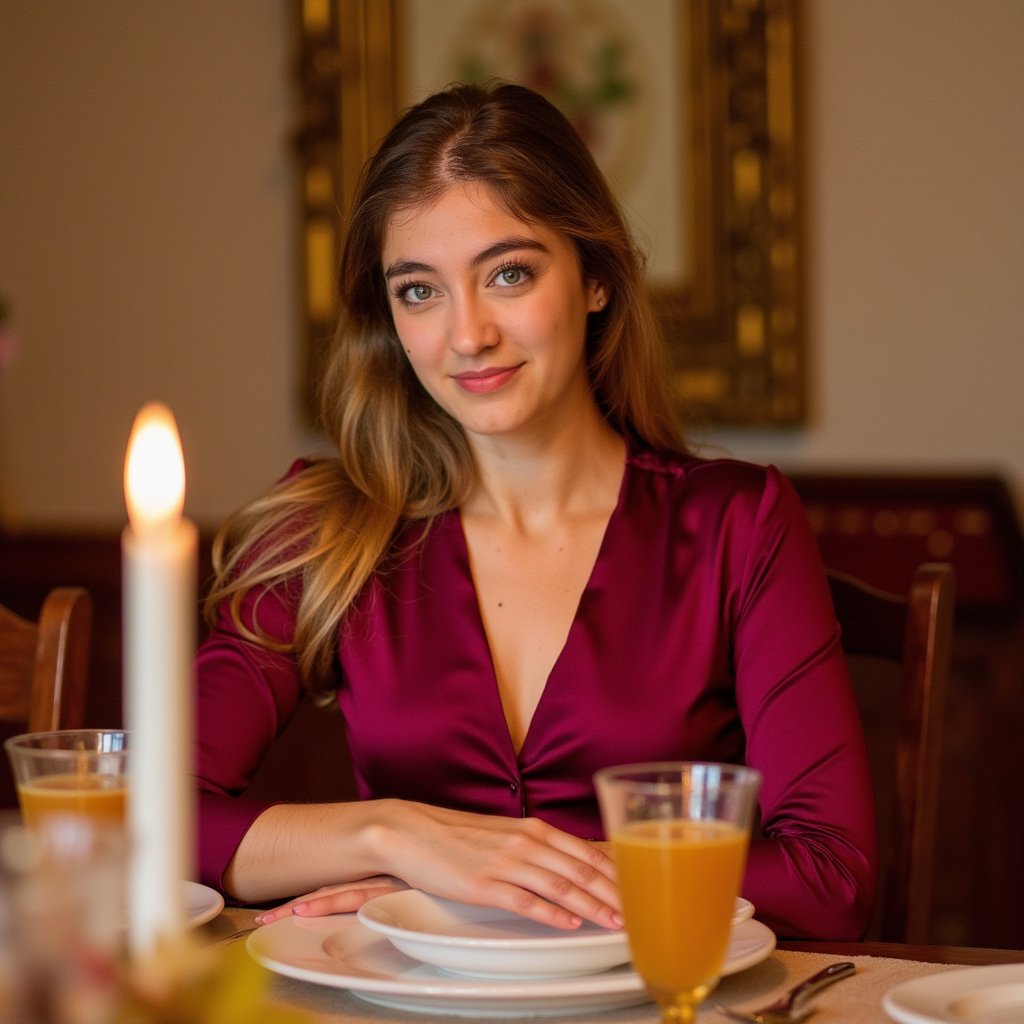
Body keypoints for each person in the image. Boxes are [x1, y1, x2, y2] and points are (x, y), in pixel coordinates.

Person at [195, 81, 878, 941]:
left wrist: (489, 881)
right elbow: (139, 820)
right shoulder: (327, 529)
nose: (467, 335)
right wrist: (397, 838)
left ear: (596, 279)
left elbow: (831, 877)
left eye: (508, 274)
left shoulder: (737, 522)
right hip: (408, 1000)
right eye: (419, 291)